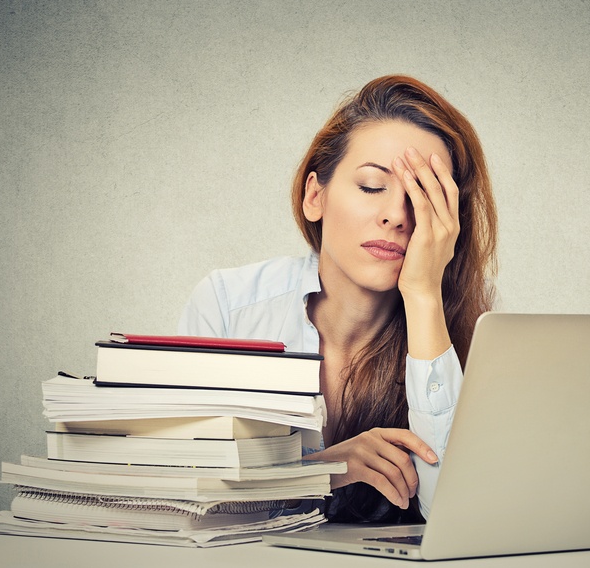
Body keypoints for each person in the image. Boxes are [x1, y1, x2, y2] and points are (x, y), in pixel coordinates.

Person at [178, 75, 498, 523]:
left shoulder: (471, 333)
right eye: (371, 186)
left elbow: (459, 513)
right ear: (315, 195)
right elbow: (180, 492)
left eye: (423, 198)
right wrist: (318, 473)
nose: (396, 216)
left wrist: (423, 295)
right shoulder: (228, 306)